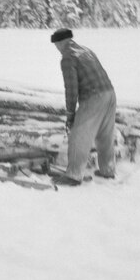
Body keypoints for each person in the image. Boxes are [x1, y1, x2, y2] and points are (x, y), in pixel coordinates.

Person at [50, 28, 116, 186]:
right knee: (105, 134)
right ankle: (108, 170)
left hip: (94, 97)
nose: (57, 48)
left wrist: (70, 114)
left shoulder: (68, 57)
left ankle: (73, 175)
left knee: (78, 134)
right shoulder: (86, 50)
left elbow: (71, 88)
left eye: (56, 45)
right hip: (110, 93)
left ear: (61, 42)